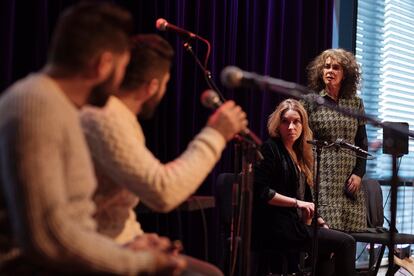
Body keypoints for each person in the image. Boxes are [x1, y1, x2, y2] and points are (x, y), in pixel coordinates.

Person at [0, 2, 186, 275]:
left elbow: (73, 227)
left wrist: (125, 249)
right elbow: (48, 238)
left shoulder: (58, 106)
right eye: (123, 68)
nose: (122, 79)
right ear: (103, 65)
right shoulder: (36, 105)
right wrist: (142, 262)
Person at [80, 34, 247, 275]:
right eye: (167, 83)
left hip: (123, 241)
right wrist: (216, 134)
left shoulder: (120, 118)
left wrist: (144, 238)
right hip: (103, 251)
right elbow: (163, 192)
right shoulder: (107, 118)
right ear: (153, 87)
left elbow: (116, 208)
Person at [252, 99, 356, 276]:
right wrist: (297, 203)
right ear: (278, 124)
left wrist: (321, 222)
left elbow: (308, 200)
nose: (291, 127)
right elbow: (261, 192)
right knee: (346, 243)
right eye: (285, 121)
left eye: (296, 122)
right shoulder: (270, 149)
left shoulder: (300, 154)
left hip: (294, 225)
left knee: (332, 244)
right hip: (275, 227)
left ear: (303, 125)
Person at [302, 48, 368, 232]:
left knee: (348, 238)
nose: (330, 71)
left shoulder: (355, 103)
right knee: (327, 235)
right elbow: (301, 139)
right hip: (321, 176)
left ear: (345, 73)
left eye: (336, 67)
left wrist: (359, 174)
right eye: (326, 67)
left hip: (349, 180)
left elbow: (362, 142)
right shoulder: (310, 101)